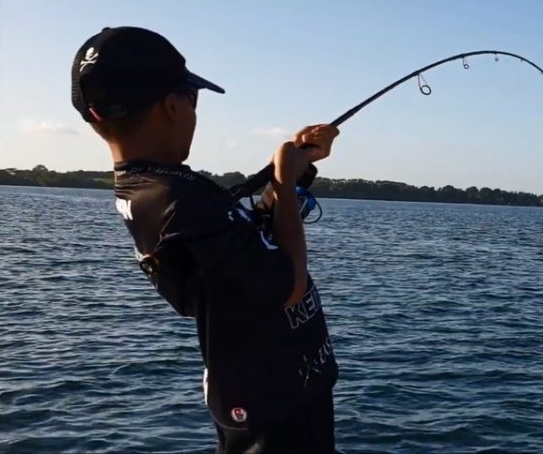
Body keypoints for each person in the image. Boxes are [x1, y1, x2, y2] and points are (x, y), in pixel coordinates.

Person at [70, 26, 341, 453]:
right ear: (172, 106)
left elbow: (248, 243)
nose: (195, 112)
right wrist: (286, 183)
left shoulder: (153, 189)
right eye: (192, 99)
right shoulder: (174, 199)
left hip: (278, 390)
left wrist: (296, 169)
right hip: (271, 408)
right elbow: (290, 285)